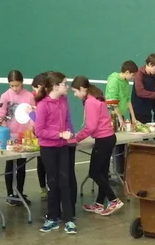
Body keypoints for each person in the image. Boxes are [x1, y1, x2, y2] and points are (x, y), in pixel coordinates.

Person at [72, 76, 123, 216]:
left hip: (103, 140)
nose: (75, 95)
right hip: (108, 138)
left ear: (82, 89)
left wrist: (76, 138)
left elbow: (91, 127)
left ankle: (114, 200)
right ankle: (99, 204)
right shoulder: (96, 97)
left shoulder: (90, 101)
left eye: (75, 91)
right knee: (102, 174)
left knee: (94, 173)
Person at [35, 72, 77, 234]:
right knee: (52, 183)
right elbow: (39, 131)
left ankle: (69, 219)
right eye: (64, 84)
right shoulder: (43, 105)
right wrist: (59, 134)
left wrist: (69, 133)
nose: (67, 87)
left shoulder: (64, 101)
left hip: (62, 147)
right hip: (48, 148)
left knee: (65, 181)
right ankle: (52, 218)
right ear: (55, 86)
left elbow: (66, 121)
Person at [0, 70, 35, 205]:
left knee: (21, 165)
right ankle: (10, 194)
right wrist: (1, 122)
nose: (15, 88)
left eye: (17, 85)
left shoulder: (29, 96)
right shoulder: (5, 96)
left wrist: (31, 130)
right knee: (9, 165)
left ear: (22, 82)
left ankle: (19, 192)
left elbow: (33, 116)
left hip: (24, 135)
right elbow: (1, 113)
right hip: (9, 135)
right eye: (12, 85)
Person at [131, 53, 155, 124]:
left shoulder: (153, 75)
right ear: (150, 64)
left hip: (148, 111)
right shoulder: (139, 74)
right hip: (138, 111)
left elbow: (151, 91)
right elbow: (140, 92)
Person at [31, 72, 50, 200]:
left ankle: (50, 187)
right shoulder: (33, 97)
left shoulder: (48, 99)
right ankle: (43, 187)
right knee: (41, 162)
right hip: (38, 135)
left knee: (48, 163)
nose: (35, 91)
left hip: (48, 136)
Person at [106, 60, 139, 126]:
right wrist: (120, 118)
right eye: (133, 75)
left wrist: (133, 117)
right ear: (127, 72)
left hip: (120, 116)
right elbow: (112, 102)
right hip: (112, 116)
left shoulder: (126, 82)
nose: (134, 77)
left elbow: (128, 100)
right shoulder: (114, 81)